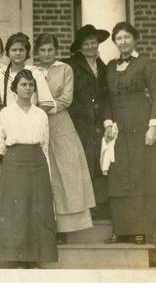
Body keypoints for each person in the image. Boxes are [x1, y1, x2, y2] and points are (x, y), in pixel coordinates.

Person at [102, 22, 156, 245]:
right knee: (120, 176)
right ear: (115, 42)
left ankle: (140, 231)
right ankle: (121, 229)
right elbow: (107, 98)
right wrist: (107, 122)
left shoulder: (146, 63)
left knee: (141, 176)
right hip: (118, 129)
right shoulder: (110, 66)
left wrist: (153, 126)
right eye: (119, 38)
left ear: (135, 39)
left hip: (140, 125)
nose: (123, 42)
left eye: (127, 37)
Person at [34, 33, 95, 243]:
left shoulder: (65, 69)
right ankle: (46, 226)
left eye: (50, 49)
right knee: (45, 174)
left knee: (65, 173)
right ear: (37, 51)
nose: (47, 54)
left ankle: (65, 228)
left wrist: (43, 109)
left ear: (56, 50)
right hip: (38, 126)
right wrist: (37, 113)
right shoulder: (33, 71)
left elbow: (66, 98)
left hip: (60, 124)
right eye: (42, 50)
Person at [0, 69, 57, 268]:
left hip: (37, 161)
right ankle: (14, 256)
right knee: (16, 209)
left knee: (37, 207)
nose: (28, 88)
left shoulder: (40, 114)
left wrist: (45, 166)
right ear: (15, 88)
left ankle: (34, 257)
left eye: (31, 85)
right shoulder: (5, 113)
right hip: (14, 160)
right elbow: (0, 143)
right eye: (23, 84)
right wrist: (11, 161)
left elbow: (45, 143)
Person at [62, 24, 110, 215]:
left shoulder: (102, 66)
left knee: (98, 163)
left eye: (94, 43)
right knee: (79, 164)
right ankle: (80, 209)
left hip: (97, 124)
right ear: (80, 46)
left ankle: (97, 208)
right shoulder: (70, 64)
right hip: (78, 122)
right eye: (87, 43)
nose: (91, 46)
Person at [1, 32, 55, 113]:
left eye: (21, 50)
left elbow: (47, 103)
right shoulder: (0, 74)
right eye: (14, 50)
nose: (18, 53)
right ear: (8, 52)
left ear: (27, 52)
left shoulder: (35, 73)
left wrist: (29, 117)